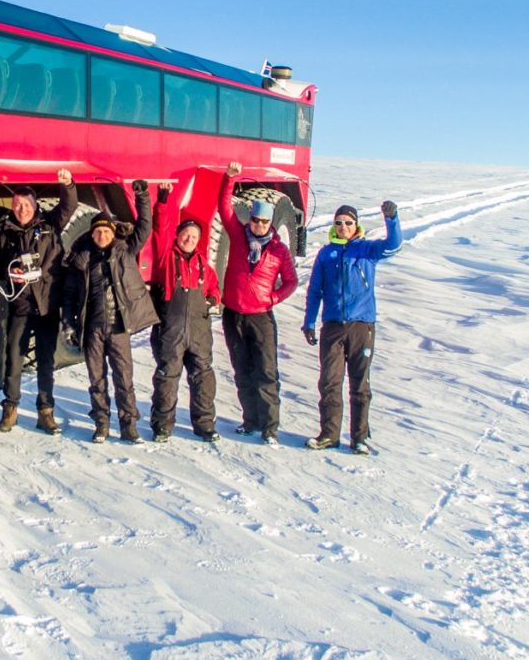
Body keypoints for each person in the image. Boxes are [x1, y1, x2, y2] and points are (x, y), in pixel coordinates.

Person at [302, 201, 402, 455]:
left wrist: (391, 220)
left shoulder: (367, 250)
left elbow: (394, 246)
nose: (343, 227)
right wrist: (310, 322)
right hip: (333, 326)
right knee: (329, 382)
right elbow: (315, 291)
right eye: (339, 223)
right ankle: (329, 434)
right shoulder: (326, 254)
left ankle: (359, 438)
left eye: (348, 223)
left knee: (360, 384)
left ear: (356, 225)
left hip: (361, 326)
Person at [61, 180, 157, 443]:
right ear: (92, 234)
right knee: (97, 380)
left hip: (118, 327)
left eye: (106, 231)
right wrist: (69, 323)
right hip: (92, 328)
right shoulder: (81, 260)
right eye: (98, 232)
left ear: (113, 234)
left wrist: (142, 196)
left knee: (124, 379)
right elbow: (69, 297)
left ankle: (129, 426)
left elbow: (145, 227)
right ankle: (101, 424)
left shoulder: (125, 252)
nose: (102, 235)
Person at [0, 168, 78, 435]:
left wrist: (68, 184)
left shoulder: (50, 225)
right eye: (17, 205)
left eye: (26, 205)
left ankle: (45, 411)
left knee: (45, 360)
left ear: (35, 205)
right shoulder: (5, 233)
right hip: (20, 305)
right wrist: (10, 272)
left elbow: (68, 205)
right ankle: (10, 409)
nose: (21, 209)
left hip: (46, 305)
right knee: (14, 358)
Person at [219, 162, 299, 444]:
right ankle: (250, 420)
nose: (259, 225)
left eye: (264, 222)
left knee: (265, 372)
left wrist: (274, 298)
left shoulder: (279, 250)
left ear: (270, 224)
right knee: (242, 370)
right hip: (233, 315)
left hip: (261, 317)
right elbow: (224, 208)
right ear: (250, 219)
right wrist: (230, 179)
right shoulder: (239, 235)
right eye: (255, 221)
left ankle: (269, 427)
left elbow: (291, 281)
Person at [149, 185, 221, 442]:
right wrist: (164, 201)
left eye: (194, 236)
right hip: (172, 329)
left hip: (199, 331)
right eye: (186, 234)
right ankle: (162, 426)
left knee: (203, 377)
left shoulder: (204, 266)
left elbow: (214, 288)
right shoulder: (167, 259)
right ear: (178, 236)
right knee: (168, 377)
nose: (190, 239)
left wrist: (213, 299)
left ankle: (204, 426)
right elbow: (161, 229)